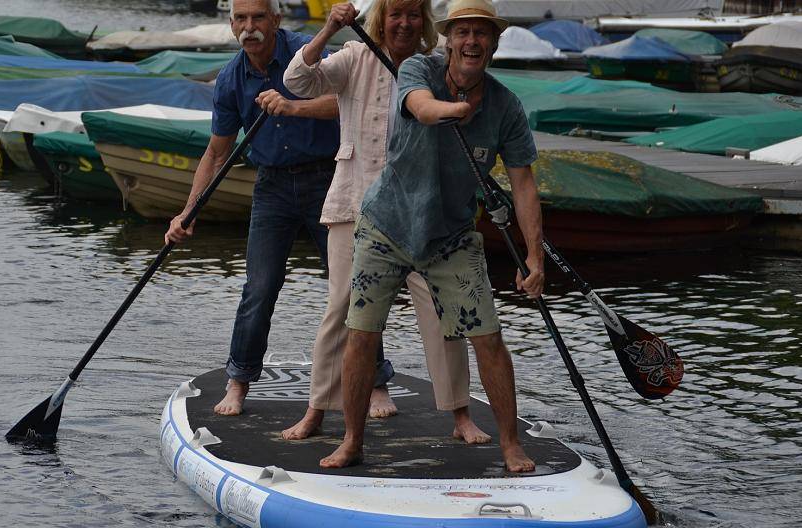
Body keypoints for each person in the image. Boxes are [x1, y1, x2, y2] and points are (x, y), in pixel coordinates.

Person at [319, 0, 543, 472]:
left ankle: (510, 444)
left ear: (494, 43)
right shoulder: (418, 68)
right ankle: (353, 440)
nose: (471, 41)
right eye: (462, 32)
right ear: (448, 39)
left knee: (489, 338)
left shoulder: (505, 106)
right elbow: (420, 109)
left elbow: (523, 182)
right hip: (385, 226)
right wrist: (455, 108)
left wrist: (534, 256)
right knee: (360, 334)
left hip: (451, 236)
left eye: (481, 33)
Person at [280, 0, 490, 444]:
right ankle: (317, 408)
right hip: (354, 202)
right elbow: (297, 80)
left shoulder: (434, 67)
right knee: (340, 308)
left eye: (413, 14)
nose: (404, 22)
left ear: (424, 22)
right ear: (381, 19)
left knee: (442, 311)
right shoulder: (356, 56)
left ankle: (460, 415)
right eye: (396, 14)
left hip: (418, 210)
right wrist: (329, 27)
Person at [164, 0, 342, 416]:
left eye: (258, 17)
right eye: (240, 20)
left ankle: (374, 381)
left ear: (276, 21)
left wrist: (293, 105)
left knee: (350, 286)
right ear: (231, 27)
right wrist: (187, 211)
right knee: (259, 288)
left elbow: (346, 100)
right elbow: (215, 152)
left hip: (328, 181)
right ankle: (239, 380)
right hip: (272, 188)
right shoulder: (230, 78)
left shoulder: (309, 52)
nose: (250, 28)